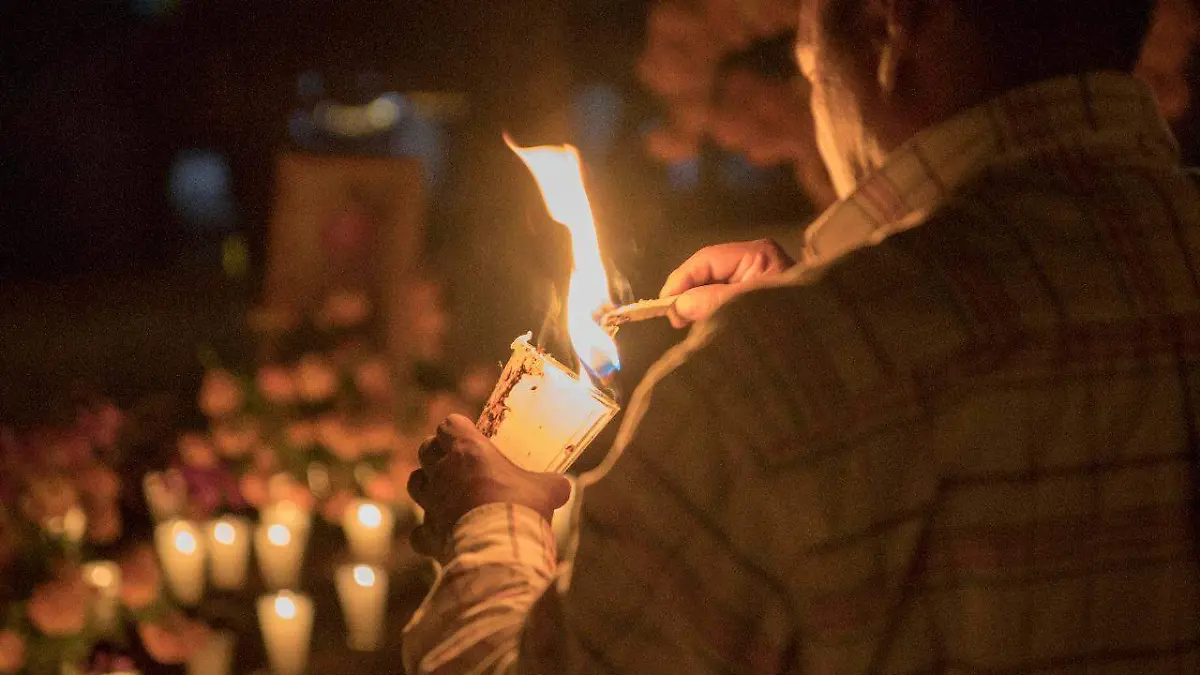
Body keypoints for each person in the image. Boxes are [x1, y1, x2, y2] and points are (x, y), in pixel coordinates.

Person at [403, 0, 1200, 672]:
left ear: (889, 25)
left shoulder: (763, 381)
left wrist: (493, 518)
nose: (814, 107)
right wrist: (831, 304)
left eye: (812, 70)